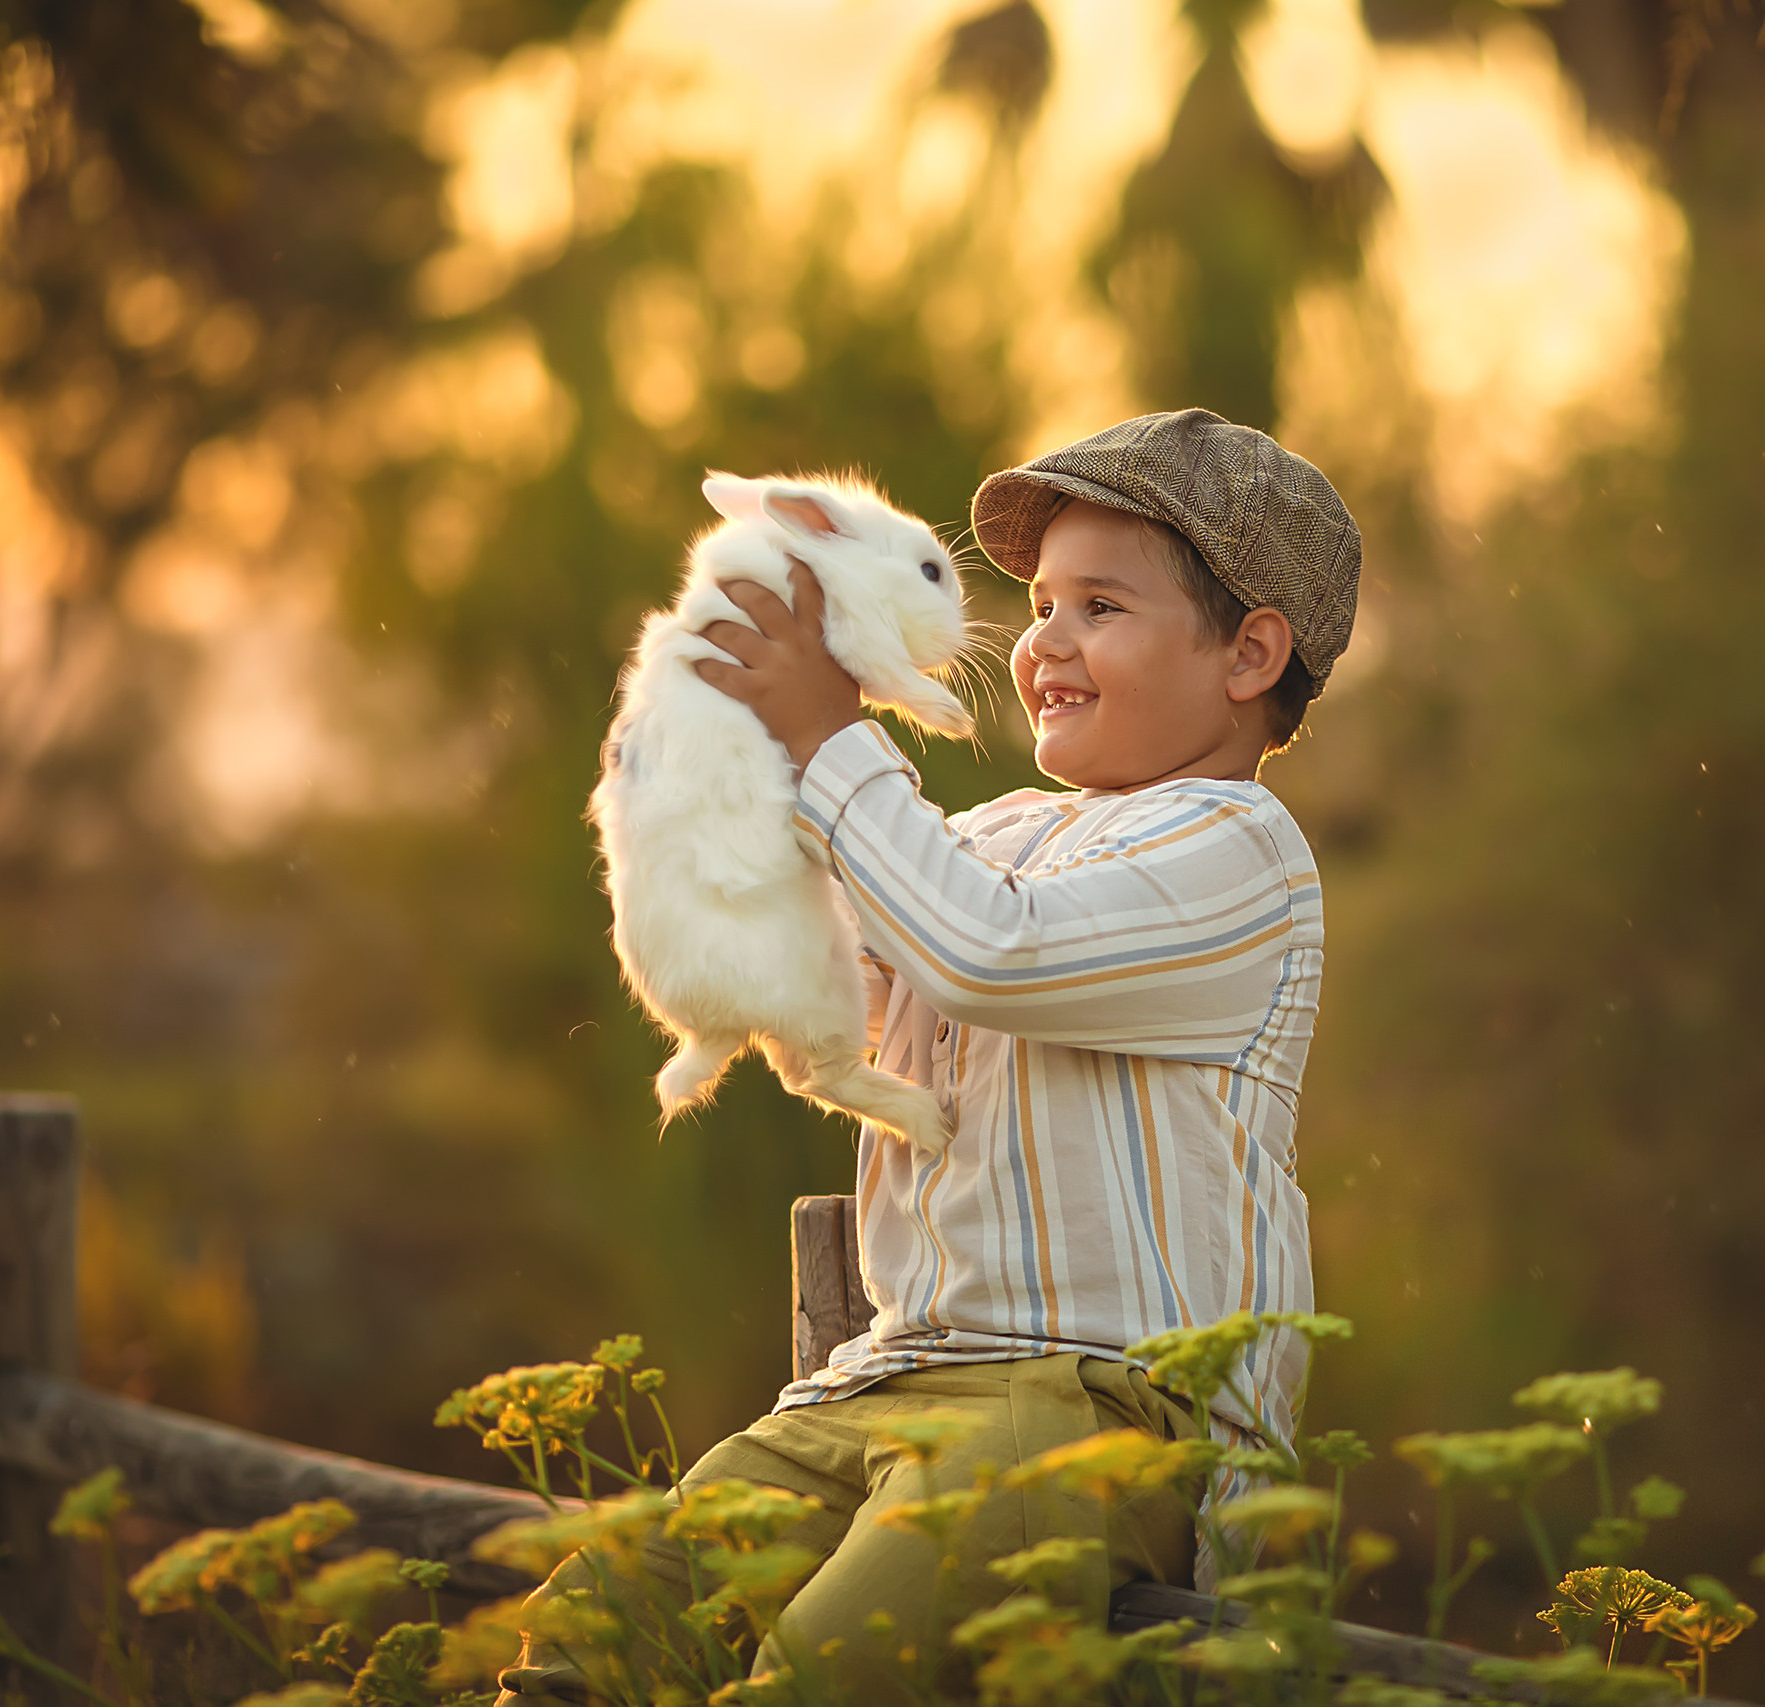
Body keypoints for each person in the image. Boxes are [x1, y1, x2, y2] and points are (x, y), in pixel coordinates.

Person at [497, 408, 1363, 1705]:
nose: (1043, 645)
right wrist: (720, 760)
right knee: (606, 1620)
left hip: (1102, 1412)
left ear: (1249, 654)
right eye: (1040, 604)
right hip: (894, 1380)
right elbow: (838, 975)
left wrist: (833, 742)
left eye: (1100, 609)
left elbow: (986, 956)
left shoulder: (1241, 855)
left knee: (824, 1668)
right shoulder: (1000, 830)